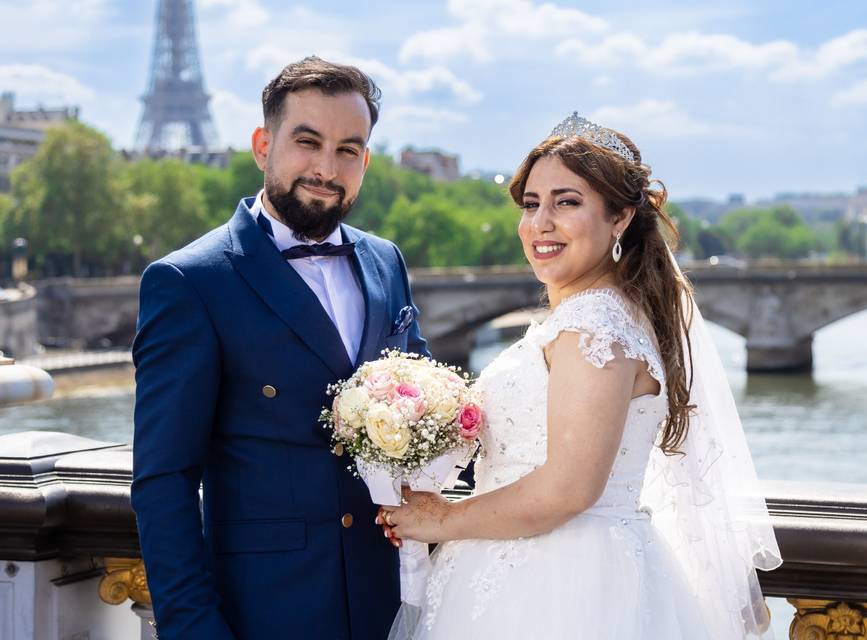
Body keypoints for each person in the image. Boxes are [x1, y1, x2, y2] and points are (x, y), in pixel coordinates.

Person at [380, 113, 782, 639]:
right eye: (531, 204)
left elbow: (569, 488)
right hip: (551, 565)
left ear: (619, 218)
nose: (540, 223)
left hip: (554, 584)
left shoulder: (593, 324)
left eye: (566, 202)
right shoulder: (613, 314)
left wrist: (442, 521)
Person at [131, 57, 428, 639]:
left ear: (365, 161)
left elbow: (419, 422)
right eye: (307, 141)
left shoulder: (386, 261)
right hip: (266, 613)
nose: (326, 166)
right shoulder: (189, 281)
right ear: (263, 145)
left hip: (392, 601)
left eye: (348, 149)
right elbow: (163, 483)